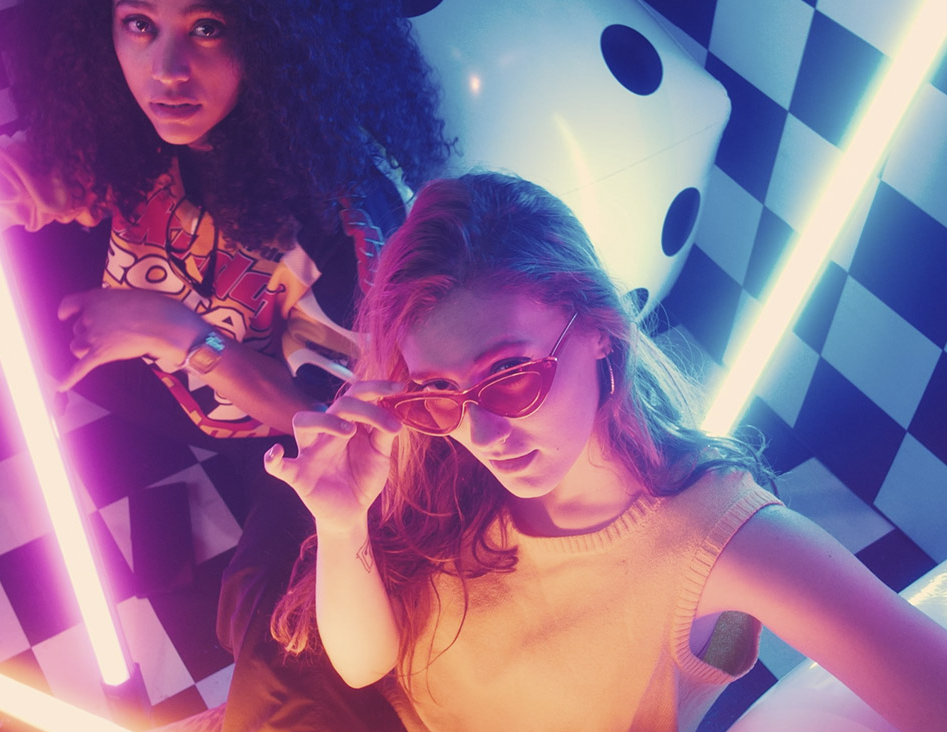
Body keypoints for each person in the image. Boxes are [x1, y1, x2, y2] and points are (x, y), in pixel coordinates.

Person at [0, 0, 447, 728]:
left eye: (207, 27)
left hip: (255, 424)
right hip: (131, 353)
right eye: (139, 24)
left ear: (278, 36)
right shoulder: (118, 129)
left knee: (291, 608)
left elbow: (323, 421)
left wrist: (177, 332)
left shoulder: (345, 207)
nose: (166, 71)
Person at [266, 172, 947, 732]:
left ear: (599, 328)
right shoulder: (439, 461)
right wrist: (342, 525)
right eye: (438, 392)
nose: (484, 436)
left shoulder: (724, 540)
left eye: (512, 375)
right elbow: (366, 667)